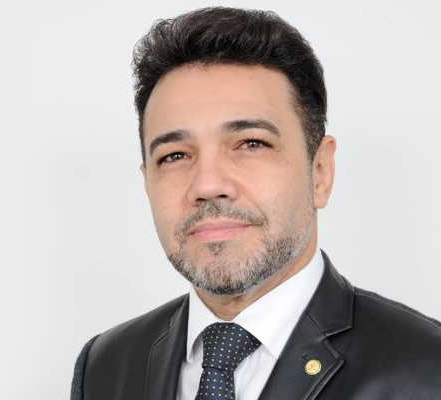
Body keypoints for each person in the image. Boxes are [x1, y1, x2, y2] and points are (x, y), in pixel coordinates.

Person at [71, 6, 441, 400]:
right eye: (174, 155)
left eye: (251, 143)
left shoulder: (427, 370)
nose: (208, 185)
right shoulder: (106, 365)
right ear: (147, 183)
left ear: (320, 171)